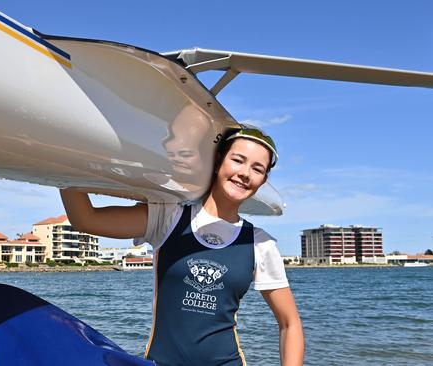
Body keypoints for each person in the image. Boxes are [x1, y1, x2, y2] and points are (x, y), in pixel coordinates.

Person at [60, 124, 304, 366]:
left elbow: (289, 323)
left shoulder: (259, 243)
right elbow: (86, 219)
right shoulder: (169, 217)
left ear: (263, 181)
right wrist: (60, 160)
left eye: (257, 169)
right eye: (238, 160)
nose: (245, 173)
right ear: (219, 160)